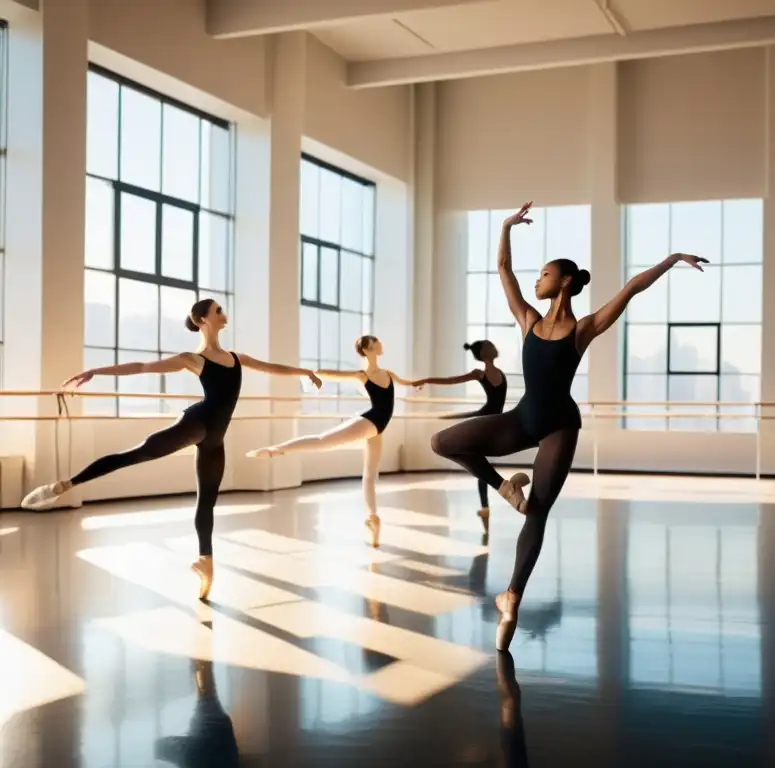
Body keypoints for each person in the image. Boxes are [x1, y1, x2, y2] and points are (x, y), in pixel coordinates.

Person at [431, 201, 707, 650]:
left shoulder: (583, 328)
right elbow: (503, 267)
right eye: (537, 274)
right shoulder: (528, 320)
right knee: (443, 441)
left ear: (563, 281)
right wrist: (505, 227)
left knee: (538, 512)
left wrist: (672, 260)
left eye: (544, 274)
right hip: (522, 419)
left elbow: (632, 288)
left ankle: (512, 596)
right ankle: (504, 488)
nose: (537, 280)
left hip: (560, 426)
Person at [20, 298, 322, 600]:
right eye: (217, 310)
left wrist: (304, 372)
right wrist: (97, 371)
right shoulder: (193, 359)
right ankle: (63, 486)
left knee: (207, 501)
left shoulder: (237, 358)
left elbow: (271, 368)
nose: (223, 313)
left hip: (215, 439)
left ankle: (206, 563)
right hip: (197, 423)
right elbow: (142, 366)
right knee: (137, 454)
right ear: (203, 320)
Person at [246, 334, 419, 548]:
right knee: (323, 441)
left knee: (369, 476)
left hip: (379, 427)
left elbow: (406, 383)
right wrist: (311, 373)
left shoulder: (389, 374)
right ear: (367, 350)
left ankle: (373, 519)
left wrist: (417, 385)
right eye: (376, 343)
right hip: (370, 421)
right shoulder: (362, 375)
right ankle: (276, 449)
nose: (381, 344)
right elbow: (333, 375)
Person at [415, 339, 507, 529]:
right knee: (482, 463)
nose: (494, 347)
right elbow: (451, 381)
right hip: (486, 420)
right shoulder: (478, 374)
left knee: (484, 465)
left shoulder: (500, 373)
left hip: (495, 420)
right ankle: (485, 507)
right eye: (490, 346)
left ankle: (485, 508)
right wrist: (426, 380)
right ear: (483, 354)